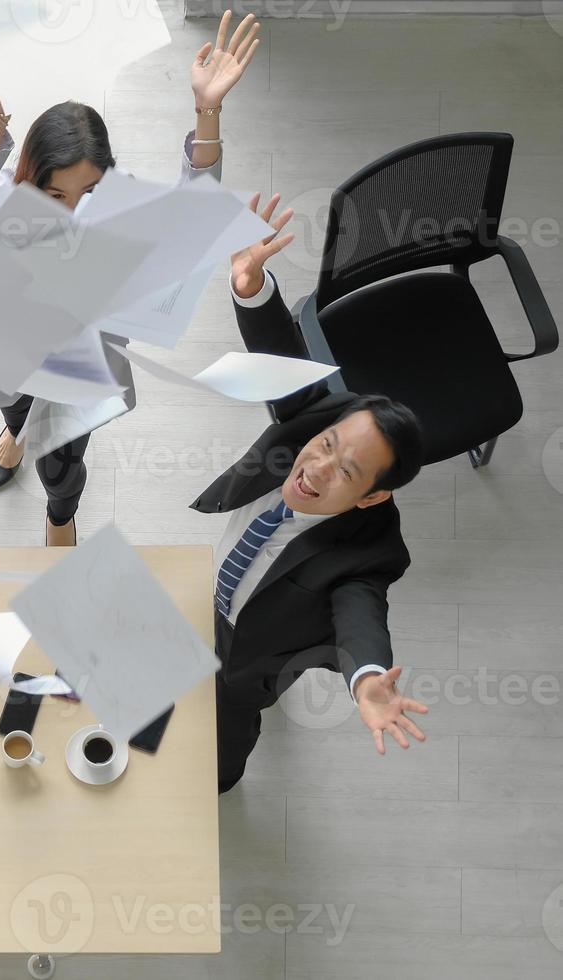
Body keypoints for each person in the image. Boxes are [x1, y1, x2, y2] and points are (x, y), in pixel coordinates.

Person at [0, 13, 261, 546]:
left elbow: (192, 216)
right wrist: (2, 99)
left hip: (79, 374)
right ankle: (17, 433)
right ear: (28, 179)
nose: (68, 213)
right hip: (12, 360)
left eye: (86, 193)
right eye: (53, 195)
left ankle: (60, 517)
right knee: (17, 410)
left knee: (62, 466)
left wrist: (208, 111)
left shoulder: (121, 215)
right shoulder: (6, 203)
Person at [201, 193, 430, 793]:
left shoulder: (368, 554)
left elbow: (361, 618)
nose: (316, 467)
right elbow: (284, 359)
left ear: (372, 498)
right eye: (327, 445)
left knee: (230, 722)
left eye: (348, 473)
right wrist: (252, 285)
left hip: (255, 660)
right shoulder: (313, 425)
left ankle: (220, 779)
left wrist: (369, 678)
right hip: (218, 595)